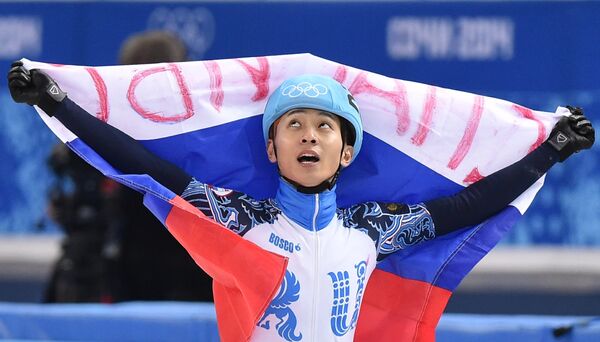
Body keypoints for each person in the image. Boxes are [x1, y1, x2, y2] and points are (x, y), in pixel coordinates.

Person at [7, 64, 594, 340]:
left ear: (346, 152)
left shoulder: (373, 230)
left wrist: (549, 152)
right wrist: (58, 104)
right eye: (294, 125)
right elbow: (149, 168)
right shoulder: (242, 219)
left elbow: (470, 207)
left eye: (325, 126)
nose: (310, 135)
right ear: (272, 147)